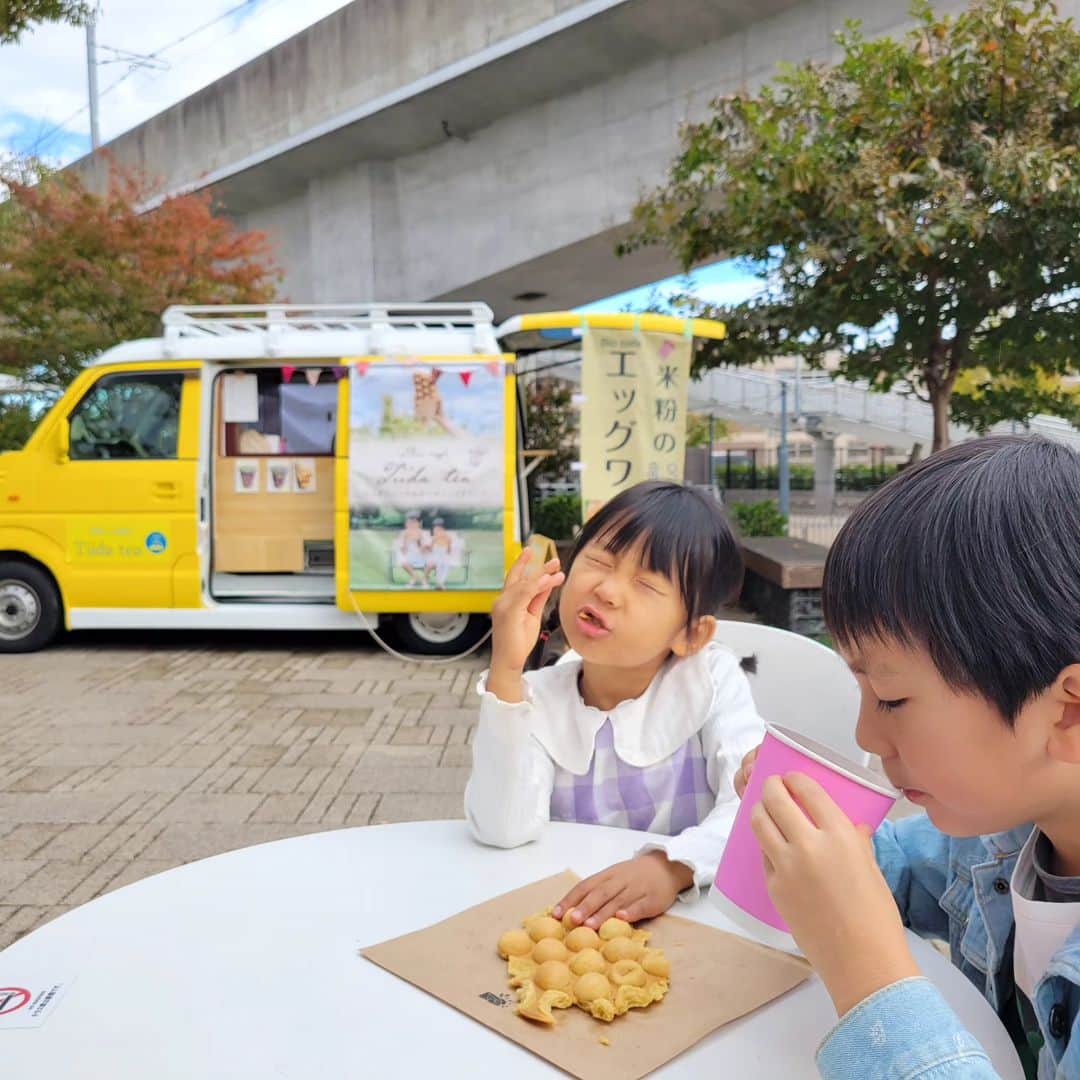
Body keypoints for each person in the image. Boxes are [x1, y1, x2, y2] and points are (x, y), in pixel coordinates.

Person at [735, 436, 1080, 1079]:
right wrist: (812, 837)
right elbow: (898, 871)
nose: (866, 735)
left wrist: (866, 974)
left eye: (891, 698)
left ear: (1068, 711)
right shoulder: (999, 837)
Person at [465, 481, 765, 929]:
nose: (607, 590)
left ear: (692, 635)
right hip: (569, 921)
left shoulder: (711, 682)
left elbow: (752, 804)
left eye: (646, 584)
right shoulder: (536, 694)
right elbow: (501, 829)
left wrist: (673, 865)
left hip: (694, 919)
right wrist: (506, 673)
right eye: (600, 561)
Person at [396, 512, 431, 587]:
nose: (412, 525)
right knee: (403, 562)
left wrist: (419, 540)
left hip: (422, 556)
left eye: (414, 523)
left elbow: (426, 550)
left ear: (419, 524)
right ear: (406, 524)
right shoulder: (403, 534)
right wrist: (405, 540)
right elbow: (403, 550)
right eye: (409, 523)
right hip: (409, 556)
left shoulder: (424, 533)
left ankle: (424, 579)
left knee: (430, 562)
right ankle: (414, 577)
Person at [427, 518, 464, 589]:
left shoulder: (447, 535)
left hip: (444, 552)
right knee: (439, 564)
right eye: (436, 527)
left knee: (446, 565)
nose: (438, 529)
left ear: (443, 527)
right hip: (437, 552)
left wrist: (449, 551)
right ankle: (439, 583)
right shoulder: (434, 535)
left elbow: (449, 546)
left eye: (440, 527)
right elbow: (431, 548)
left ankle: (440, 583)